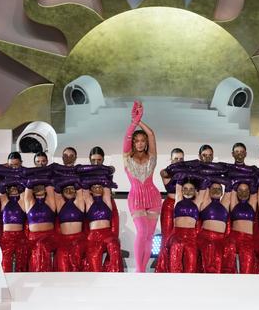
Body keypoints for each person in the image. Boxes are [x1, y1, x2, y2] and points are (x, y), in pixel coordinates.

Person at [123, 100, 161, 272]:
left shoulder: (152, 156)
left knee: (149, 235)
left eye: (142, 140)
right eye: (136, 140)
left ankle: (143, 270)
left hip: (153, 197)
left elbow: (152, 134)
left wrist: (140, 121)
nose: (139, 143)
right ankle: (139, 270)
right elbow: (126, 137)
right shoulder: (126, 156)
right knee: (142, 231)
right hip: (136, 198)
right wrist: (133, 123)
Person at [162, 175, 204, 273]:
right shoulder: (178, 199)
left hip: (191, 238)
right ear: (181, 190)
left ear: (195, 191)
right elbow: (179, 180)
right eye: (185, 188)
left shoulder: (197, 202)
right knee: (174, 266)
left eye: (191, 189)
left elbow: (203, 186)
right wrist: (186, 172)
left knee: (191, 266)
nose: (188, 191)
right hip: (177, 236)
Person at [82, 176, 123, 272]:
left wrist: (101, 179)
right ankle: (95, 282)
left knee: (114, 246)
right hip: (93, 235)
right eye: (94, 187)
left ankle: (114, 277)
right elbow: (84, 185)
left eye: (99, 186)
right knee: (94, 260)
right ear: (90, 190)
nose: (97, 189)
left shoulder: (107, 201)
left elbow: (106, 184)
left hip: (107, 234)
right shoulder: (88, 201)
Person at [24, 170, 57, 272]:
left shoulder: (50, 201)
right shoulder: (29, 202)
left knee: (41, 246)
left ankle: (43, 275)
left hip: (48, 237)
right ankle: (37, 275)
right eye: (36, 185)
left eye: (41, 185)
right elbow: (29, 184)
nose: (39, 187)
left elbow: (49, 183)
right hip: (33, 238)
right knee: (37, 247)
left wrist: (41, 178)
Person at [223, 176, 257, 274]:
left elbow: (254, 182)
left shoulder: (252, 203)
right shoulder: (234, 203)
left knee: (247, 268)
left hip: (248, 240)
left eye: (246, 190)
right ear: (236, 192)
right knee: (229, 266)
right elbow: (232, 184)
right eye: (240, 190)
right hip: (234, 238)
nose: (243, 193)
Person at [197, 176, 230, 273]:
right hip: (207, 239)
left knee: (221, 267)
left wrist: (217, 177)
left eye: (218, 189)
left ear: (222, 192)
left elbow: (229, 185)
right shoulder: (205, 202)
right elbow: (205, 180)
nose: (216, 191)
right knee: (208, 266)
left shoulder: (225, 203)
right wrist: (215, 177)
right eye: (213, 188)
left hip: (221, 240)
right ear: (209, 190)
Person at [54, 177, 86, 272]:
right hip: (63, 240)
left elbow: (78, 187)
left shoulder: (79, 202)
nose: (69, 191)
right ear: (62, 192)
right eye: (66, 189)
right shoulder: (60, 203)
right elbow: (57, 188)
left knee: (76, 263)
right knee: (62, 261)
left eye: (72, 189)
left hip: (78, 239)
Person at [0, 173, 28, 272]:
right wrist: (14, 178)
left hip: (20, 236)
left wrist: (17, 182)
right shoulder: (4, 201)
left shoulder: (22, 200)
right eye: (11, 187)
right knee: (6, 262)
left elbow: (24, 188)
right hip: (7, 236)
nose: (13, 189)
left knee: (21, 261)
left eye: (15, 187)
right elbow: (2, 188)